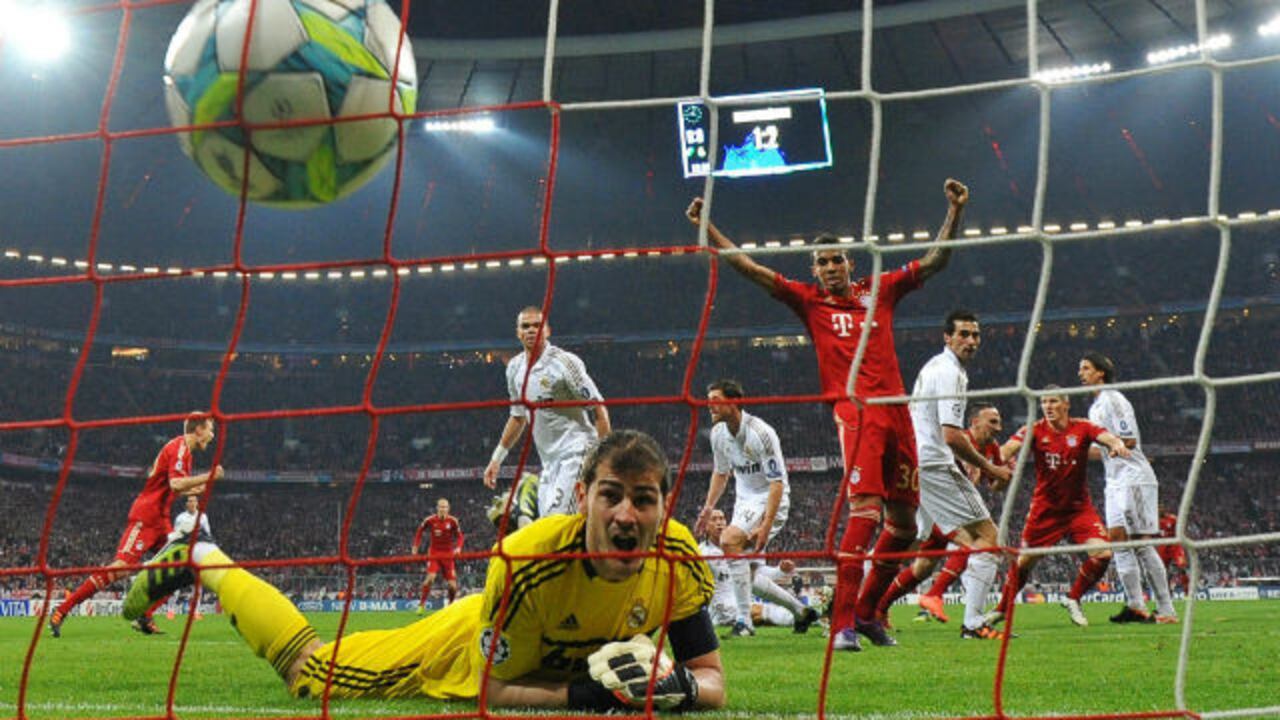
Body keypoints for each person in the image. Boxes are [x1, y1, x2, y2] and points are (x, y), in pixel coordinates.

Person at [122, 429, 726, 711]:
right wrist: (585, 697)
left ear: (663, 507)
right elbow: (492, 690)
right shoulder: (530, 562)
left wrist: (682, 690)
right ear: (583, 496)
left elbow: (712, 681)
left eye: (643, 499)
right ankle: (203, 559)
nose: (627, 513)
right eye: (611, 495)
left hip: (533, 647)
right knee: (309, 675)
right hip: (462, 646)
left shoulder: (680, 562)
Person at [685, 178, 970, 651]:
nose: (831, 267)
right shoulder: (808, 299)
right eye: (823, 262)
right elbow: (751, 268)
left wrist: (955, 211)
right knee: (864, 513)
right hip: (856, 411)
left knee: (904, 525)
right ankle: (841, 626)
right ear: (813, 270)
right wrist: (708, 229)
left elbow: (936, 260)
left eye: (838, 259)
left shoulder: (878, 290)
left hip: (897, 410)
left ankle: (867, 614)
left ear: (850, 263)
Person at [48, 413, 222, 638]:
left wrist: (195, 489)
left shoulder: (185, 454)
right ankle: (61, 610)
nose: (212, 435)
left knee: (183, 567)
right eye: (210, 429)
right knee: (121, 567)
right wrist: (208, 476)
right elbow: (176, 483)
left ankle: (145, 616)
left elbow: (174, 488)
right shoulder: (179, 448)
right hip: (146, 517)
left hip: (161, 520)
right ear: (198, 430)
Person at [904, 311, 1012, 638]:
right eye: (963, 334)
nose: (971, 341)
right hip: (934, 463)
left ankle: (858, 607)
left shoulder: (935, 367)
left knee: (910, 540)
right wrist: (991, 467)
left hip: (916, 461)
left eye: (975, 335)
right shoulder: (950, 372)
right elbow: (951, 435)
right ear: (947, 337)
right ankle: (974, 623)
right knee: (989, 539)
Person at [991, 388, 1131, 628]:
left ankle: (1073, 598)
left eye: (1053, 401)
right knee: (1024, 563)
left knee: (1104, 554)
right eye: (1044, 402)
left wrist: (1116, 444)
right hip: (1045, 510)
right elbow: (1008, 448)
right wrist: (994, 461)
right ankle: (1001, 610)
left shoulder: (1083, 427)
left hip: (1079, 509)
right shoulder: (1034, 429)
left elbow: (1107, 437)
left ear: (1066, 404)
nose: (1047, 406)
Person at [694, 379, 813, 636]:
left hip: (771, 499)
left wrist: (764, 526)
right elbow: (721, 473)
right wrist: (707, 507)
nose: (710, 406)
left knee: (728, 540)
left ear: (734, 402)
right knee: (748, 571)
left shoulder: (761, 433)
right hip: (744, 501)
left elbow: (777, 484)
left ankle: (744, 622)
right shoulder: (717, 434)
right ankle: (800, 611)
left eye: (716, 400)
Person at [876, 402, 1005, 626]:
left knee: (923, 566)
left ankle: (879, 608)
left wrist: (1003, 476)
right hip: (940, 505)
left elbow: (996, 484)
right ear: (975, 423)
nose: (998, 427)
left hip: (952, 511)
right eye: (992, 422)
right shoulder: (958, 441)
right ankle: (936, 596)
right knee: (977, 543)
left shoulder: (992, 447)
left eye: (1000, 422)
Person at [1078, 352, 1178, 624]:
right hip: (1114, 481)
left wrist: (1101, 448)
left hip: (1133, 477)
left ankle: (1167, 610)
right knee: (1119, 544)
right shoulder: (1095, 407)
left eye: (1086, 368)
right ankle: (1135, 605)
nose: (1080, 373)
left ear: (1101, 372)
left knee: (1140, 544)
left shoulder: (1114, 399)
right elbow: (1103, 449)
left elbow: (1129, 440)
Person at [483, 306, 611, 518]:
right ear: (518, 332)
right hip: (549, 463)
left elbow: (599, 410)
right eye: (526, 326)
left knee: (556, 522)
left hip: (577, 451)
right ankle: (530, 495)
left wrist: (605, 461)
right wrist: (496, 459)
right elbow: (518, 416)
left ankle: (524, 512)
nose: (531, 330)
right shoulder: (514, 368)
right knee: (554, 529)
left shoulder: (564, 363)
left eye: (537, 325)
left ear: (548, 330)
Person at [697, 507, 817, 635]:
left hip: (744, 599)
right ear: (705, 526)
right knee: (759, 611)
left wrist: (779, 570)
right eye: (713, 520)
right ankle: (807, 617)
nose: (719, 523)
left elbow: (759, 574)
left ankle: (801, 611)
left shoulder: (739, 544)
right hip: (722, 606)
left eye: (722, 518)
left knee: (752, 578)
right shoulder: (702, 552)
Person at [412, 498, 464, 613]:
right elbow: (419, 531)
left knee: (453, 586)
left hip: (448, 556)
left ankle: (450, 605)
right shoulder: (430, 520)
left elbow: (460, 536)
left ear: (448, 508)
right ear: (437, 508)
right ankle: (421, 605)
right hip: (434, 554)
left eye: (445, 507)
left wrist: (459, 547)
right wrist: (415, 546)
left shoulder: (453, 521)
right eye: (441, 507)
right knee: (430, 578)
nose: (443, 509)